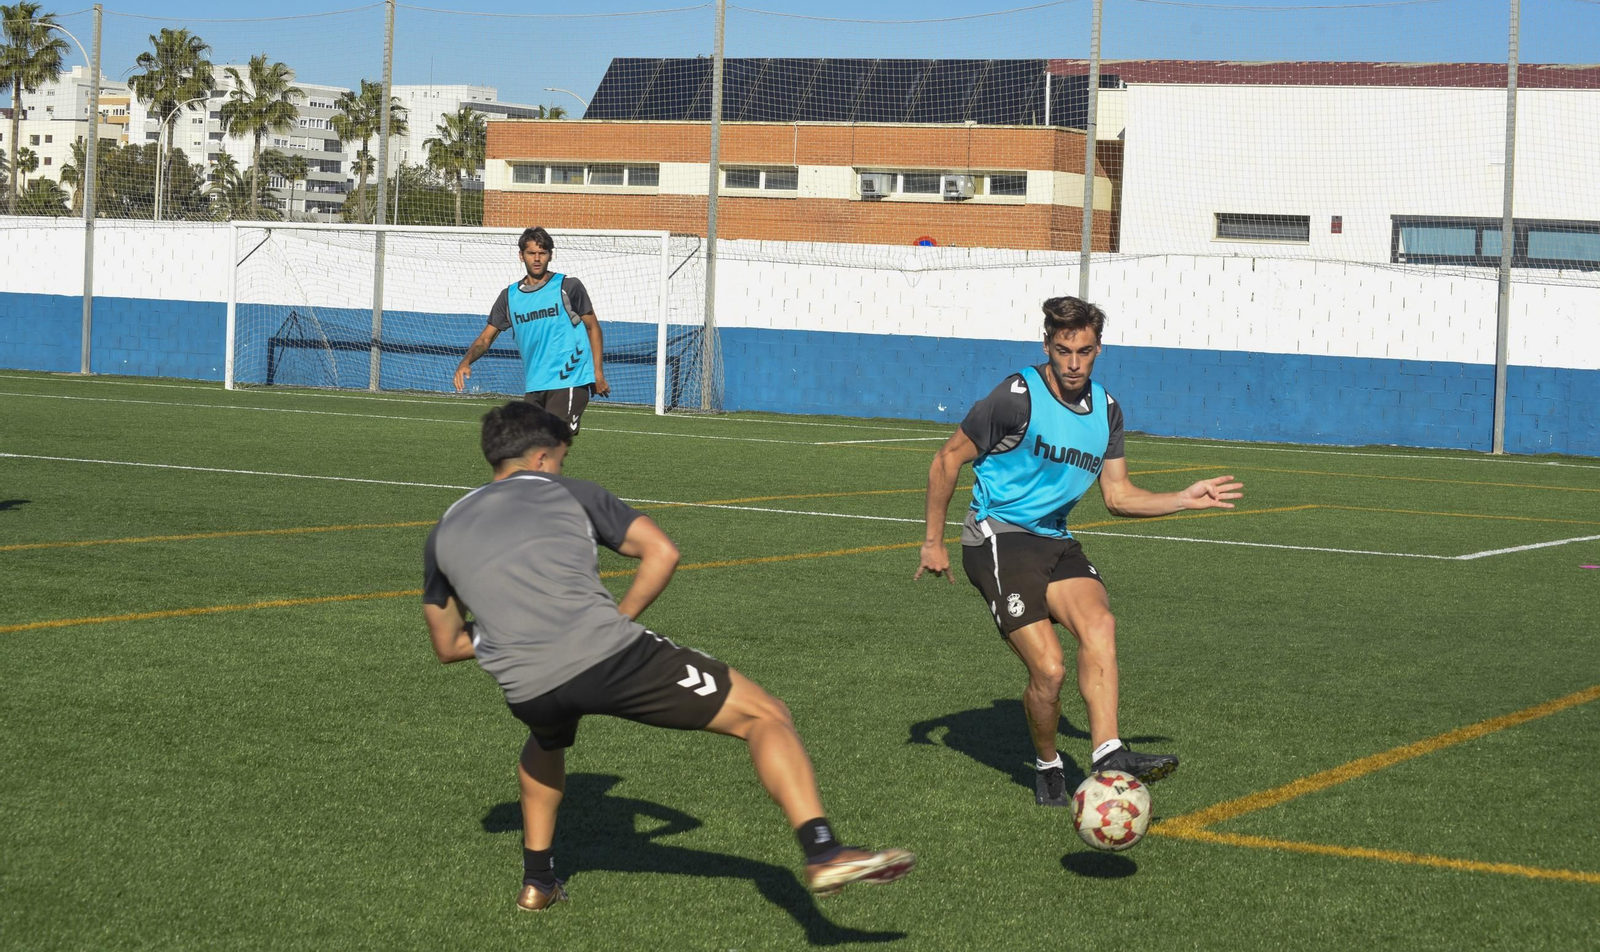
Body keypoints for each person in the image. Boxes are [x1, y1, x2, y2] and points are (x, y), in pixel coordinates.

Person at [422, 402, 916, 911]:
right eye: (562, 460)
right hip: (607, 658)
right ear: (544, 458)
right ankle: (822, 850)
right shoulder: (569, 492)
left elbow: (448, 644)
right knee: (765, 714)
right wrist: (618, 617)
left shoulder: (446, 528)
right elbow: (662, 552)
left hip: (527, 688)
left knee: (545, 741)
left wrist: (514, 631)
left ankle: (537, 883)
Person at [913, 296, 1243, 807]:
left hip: (1054, 538)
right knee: (1049, 671)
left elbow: (1118, 496)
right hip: (998, 537)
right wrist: (933, 542)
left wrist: (1182, 497)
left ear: (1098, 351)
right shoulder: (1016, 396)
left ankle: (1108, 751)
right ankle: (1047, 763)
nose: (1072, 363)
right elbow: (946, 459)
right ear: (1047, 345)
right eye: (1063, 350)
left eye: (1084, 352)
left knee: (1101, 625)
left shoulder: (1107, 410)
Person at [453, 226, 610, 434]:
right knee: (529, 447)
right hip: (535, 386)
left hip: (570, 381)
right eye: (531, 253)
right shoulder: (508, 297)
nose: (537, 258)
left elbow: (593, 328)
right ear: (521, 256)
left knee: (550, 442)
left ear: (550, 256)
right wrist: (465, 361)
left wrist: (597, 374)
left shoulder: (568, 287)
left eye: (542, 253)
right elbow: (485, 340)